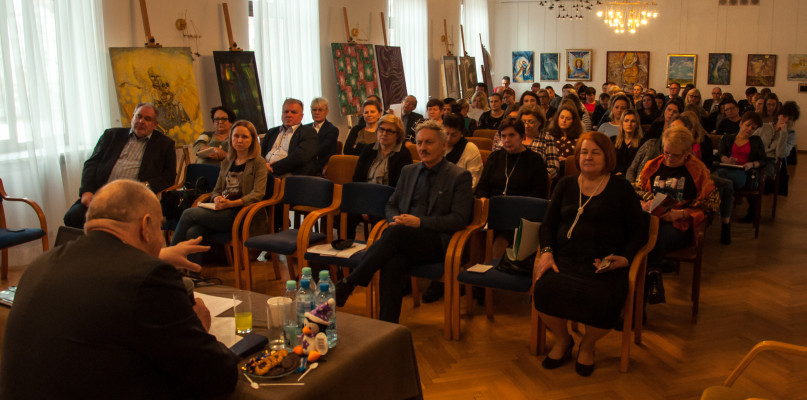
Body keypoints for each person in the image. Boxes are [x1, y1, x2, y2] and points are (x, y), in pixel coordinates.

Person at [1, 180, 239, 398]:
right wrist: (200, 328)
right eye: (159, 226)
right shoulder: (148, 277)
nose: (160, 239)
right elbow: (218, 375)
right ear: (145, 225)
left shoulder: (39, 266)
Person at [334, 120, 474, 322]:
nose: (422, 148)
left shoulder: (459, 176)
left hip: (438, 242)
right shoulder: (409, 171)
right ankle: (387, 326)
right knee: (393, 261)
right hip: (404, 238)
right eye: (419, 142)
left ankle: (349, 282)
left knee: (395, 234)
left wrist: (419, 222)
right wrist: (395, 220)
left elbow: (459, 219)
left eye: (429, 142)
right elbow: (392, 204)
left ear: (443, 145)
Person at [533, 132, 648, 377]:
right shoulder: (565, 185)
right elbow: (547, 226)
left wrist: (625, 258)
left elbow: (640, 230)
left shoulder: (621, 188)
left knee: (604, 299)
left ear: (607, 157)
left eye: (595, 152)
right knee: (543, 289)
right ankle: (563, 340)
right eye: (584, 152)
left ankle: (588, 344)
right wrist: (547, 252)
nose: (588, 157)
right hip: (565, 259)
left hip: (604, 264)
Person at [639, 127, 719, 304]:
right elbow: (638, 189)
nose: (669, 158)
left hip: (680, 225)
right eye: (666, 152)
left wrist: (680, 213)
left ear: (686, 153)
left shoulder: (697, 169)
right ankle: (651, 281)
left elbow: (712, 202)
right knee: (643, 234)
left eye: (675, 156)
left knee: (652, 238)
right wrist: (644, 203)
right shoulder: (653, 165)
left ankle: (650, 283)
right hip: (652, 219)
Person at [63, 103, 176, 228]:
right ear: (132, 117)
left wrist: (146, 186)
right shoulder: (111, 135)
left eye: (147, 119)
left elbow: (169, 176)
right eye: (138, 116)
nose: (141, 121)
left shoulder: (165, 144)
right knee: (73, 217)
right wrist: (86, 191)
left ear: (155, 125)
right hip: (101, 195)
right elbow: (91, 163)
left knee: (116, 224)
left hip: (133, 199)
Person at [171, 120, 268, 250]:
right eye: (236, 136)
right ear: (231, 138)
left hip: (243, 213)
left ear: (252, 140)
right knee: (193, 232)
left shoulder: (258, 162)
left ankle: (168, 257)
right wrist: (217, 198)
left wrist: (231, 204)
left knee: (189, 213)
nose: (239, 140)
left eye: (244, 137)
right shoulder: (227, 161)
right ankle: (187, 263)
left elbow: (258, 194)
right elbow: (217, 190)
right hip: (222, 210)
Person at [349, 114, 413, 239]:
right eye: (381, 129)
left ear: (398, 135)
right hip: (366, 197)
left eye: (389, 131)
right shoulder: (368, 149)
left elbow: (401, 188)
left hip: (388, 201)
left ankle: (374, 247)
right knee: (347, 213)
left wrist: (374, 204)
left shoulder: (403, 154)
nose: (384, 133)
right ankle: (347, 247)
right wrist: (363, 204)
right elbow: (357, 178)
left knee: (377, 217)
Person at [714, 112, 766, 227]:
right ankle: (725, 218)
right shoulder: (728, 138)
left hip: (743, 173)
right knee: (726, 182)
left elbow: (763, 160)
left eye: (753, 128)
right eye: (747, 125)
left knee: (719, 177)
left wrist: (751, 164)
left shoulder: (756, 141)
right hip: (727, 168)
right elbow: (720, 154)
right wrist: (726, 159)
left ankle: (714, 207)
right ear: (741, 123)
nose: (749, 129)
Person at [475, 117, 548, 199]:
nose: (507, 140)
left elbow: (539, 193)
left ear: (522, 136)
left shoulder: (535, 160)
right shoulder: (494, 157)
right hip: (493, 203)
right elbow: (483, 185)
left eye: (511, 135)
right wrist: (483, 198)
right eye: (503, 136)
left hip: (523, 205)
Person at [261, 98, 318, 178]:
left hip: (290, 174)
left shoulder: (309, 132)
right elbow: (259, 153)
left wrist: (272, 168)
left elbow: (299, 158)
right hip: (264, 171)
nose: (288, 115)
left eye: (293, 112)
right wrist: (262, 166)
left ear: (301, 116)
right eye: (286, 111)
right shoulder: (272, 132)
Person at [513, 105, 560, 180]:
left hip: (536, 179)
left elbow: (554, 168)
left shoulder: (547, 139)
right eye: (523, 122)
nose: (526, 125)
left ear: (539, 122)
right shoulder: (514, 136)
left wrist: (538, 175)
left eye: (531, 122)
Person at [443, 113, 483, 189]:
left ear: (461, 134)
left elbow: (472, 182)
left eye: (454, 135)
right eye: (446, 133)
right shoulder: (437, 146)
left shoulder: (470, 150)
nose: (448, 139)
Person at [307, 97, 339, 174]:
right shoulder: (305, 128)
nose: (317, 112)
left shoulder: (332, 130)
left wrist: (303, 153)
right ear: (311, 111)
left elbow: (322, 149)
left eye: (320, 110)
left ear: (327, 112)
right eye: (314, 110)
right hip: (303, 162)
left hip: (319, 165)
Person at [613, 109, 643, 175]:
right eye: (626, 121)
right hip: (614, 175)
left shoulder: (642, 142)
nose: (629, 124)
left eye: (633, 121)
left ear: (637, 124)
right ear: (622, 123)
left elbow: (638, 165)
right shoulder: (613, 140)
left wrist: (622, 172)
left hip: (632, 176)